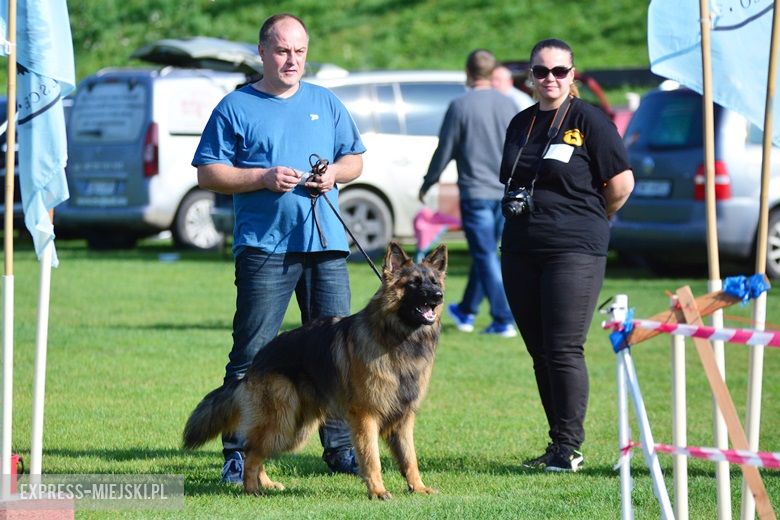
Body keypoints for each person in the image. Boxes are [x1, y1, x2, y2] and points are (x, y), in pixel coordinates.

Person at [191, 13, 366, 484]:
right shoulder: (236, 106)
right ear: (264, 52)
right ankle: (236, 453)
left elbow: (355, 159)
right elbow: (208, 172)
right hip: (264, 248)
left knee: (338, 354)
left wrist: (334, 173)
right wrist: (261, 178)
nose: (293, 60)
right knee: (252, 353)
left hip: (325, 243)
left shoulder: (325, 102)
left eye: (301, 51)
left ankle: (341, 450)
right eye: (284, 51)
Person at [499, 39, 634, 472]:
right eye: (541, 72)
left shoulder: (589, 120)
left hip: (574, 248)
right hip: (521, 246)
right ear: (530, 76)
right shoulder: (520, 123)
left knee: (563, 348)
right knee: (539, 350)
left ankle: (570, 448)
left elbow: (621, 184)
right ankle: (557, 444)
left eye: (559, 71)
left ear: (573, 74)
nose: (550, 79)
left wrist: (591, 218)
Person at [419, 49, 518, 338]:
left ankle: (503, 318)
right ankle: (467, 310)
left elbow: (445, 149)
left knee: (485, 253)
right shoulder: (509, 104)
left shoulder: (460, 106)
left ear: (468, 72)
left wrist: (429, 181)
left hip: (475, 192)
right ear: (491, 72)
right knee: (484, 252)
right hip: (506, 192)